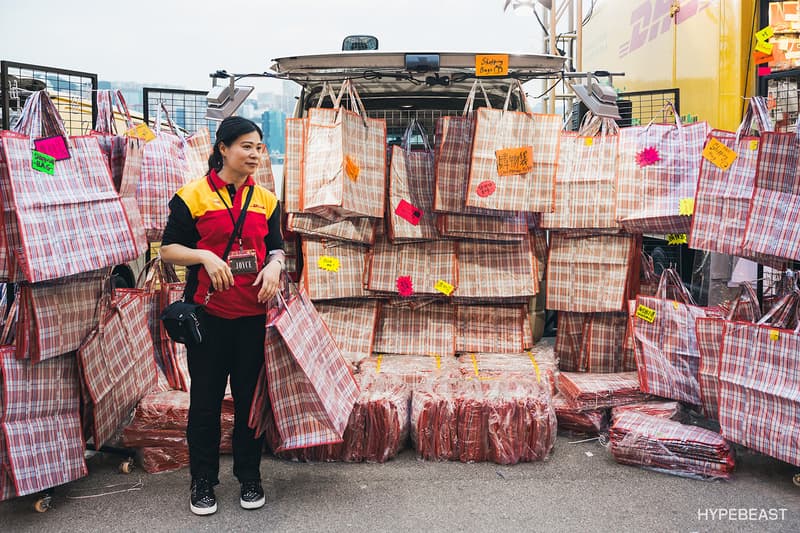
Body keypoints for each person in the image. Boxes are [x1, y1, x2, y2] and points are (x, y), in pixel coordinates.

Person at [160, 116, 284, 516]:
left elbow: (278, 247)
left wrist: (275, 265)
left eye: (258, 148)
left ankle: (250, 477)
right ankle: (202, 481)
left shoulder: (266, 199)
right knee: (206, 403)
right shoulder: (192, 196)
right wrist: (204, 255)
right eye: (246, 146)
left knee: (250, 402)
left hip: (253, 319)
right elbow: (167, 250)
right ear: (223, 148)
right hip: (208, 319)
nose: (253, 154)